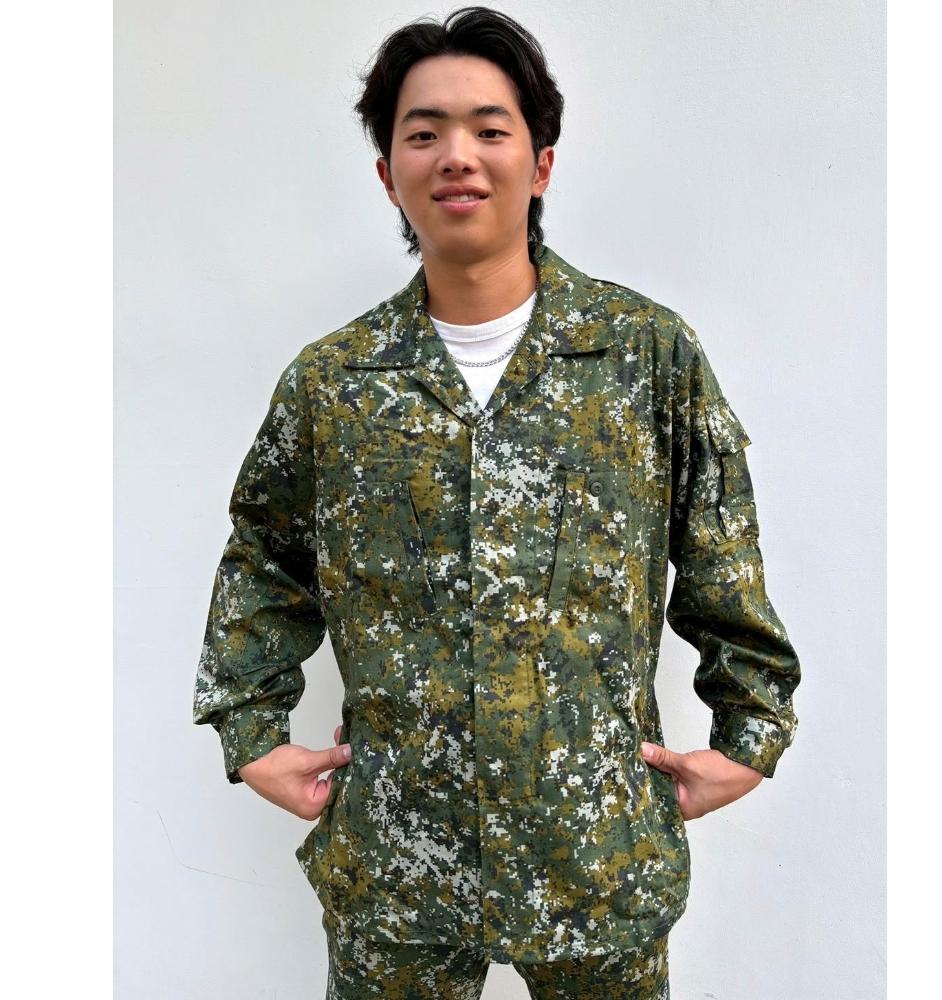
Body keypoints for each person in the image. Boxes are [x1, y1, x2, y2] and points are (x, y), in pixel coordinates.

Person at [192, 6, 802, 998]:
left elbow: (720, 554)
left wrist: (750, 734)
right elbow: (264, 559)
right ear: (387, 174)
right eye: (423, 133)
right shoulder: (334, 384)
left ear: (541, 161)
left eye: (489, 128)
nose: (457, 157)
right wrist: (251, 733)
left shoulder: (643, 357)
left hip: (596, 860)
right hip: (398, 869)